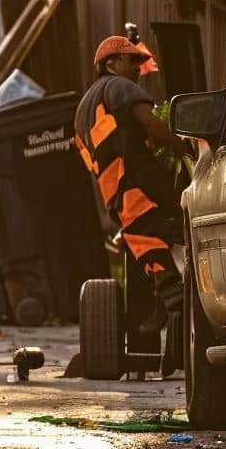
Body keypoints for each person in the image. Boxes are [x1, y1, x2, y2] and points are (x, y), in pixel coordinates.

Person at [74, 35, 197, 332]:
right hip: (137, 176)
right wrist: (182, 146)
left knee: (141, 235)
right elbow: (151, 123)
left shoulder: (84, 106)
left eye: (140, 62)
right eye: (132, 61)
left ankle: (166, 302)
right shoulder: (118, 86)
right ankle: (173, 297)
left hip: (113, 189)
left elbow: (115, 138)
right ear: (111, 63)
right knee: (171, 228)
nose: (138, 69)